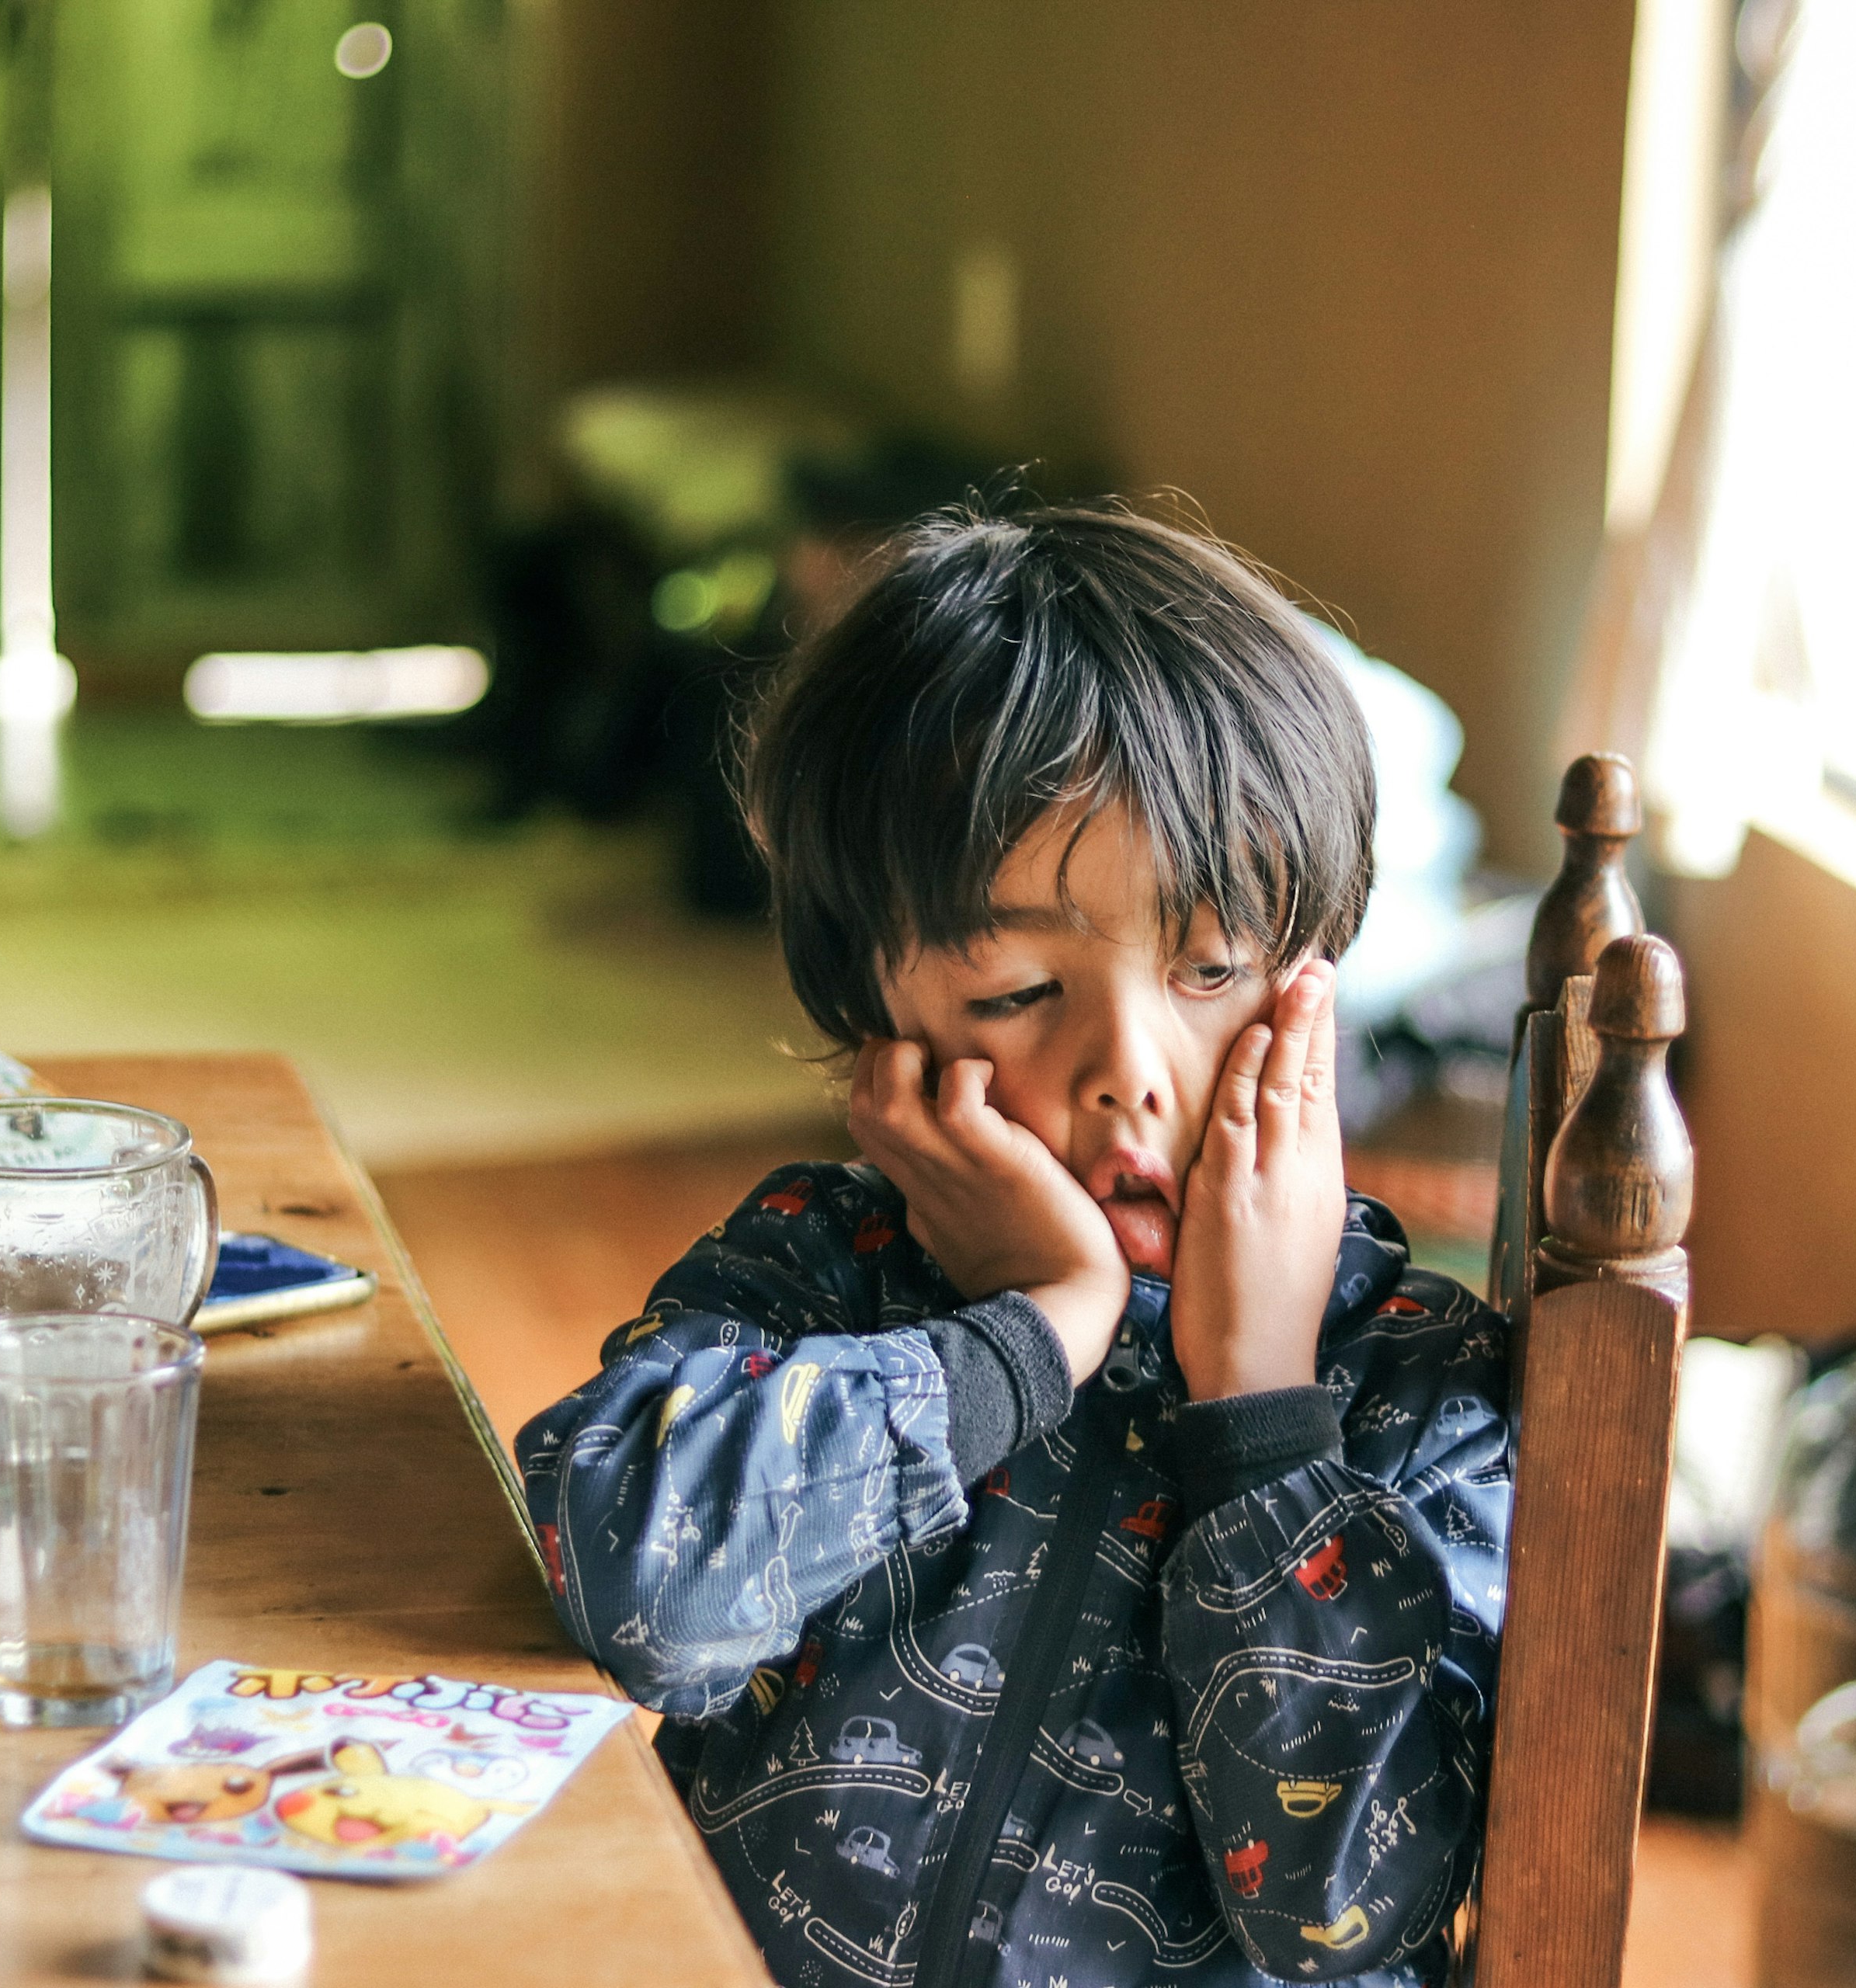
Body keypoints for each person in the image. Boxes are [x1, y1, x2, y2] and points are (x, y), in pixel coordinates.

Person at [517, 506, 1510, 1987]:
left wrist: (1263, 1413)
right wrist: (1028, 1332)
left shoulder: (1414, 1391)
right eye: (1020, 989)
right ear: (876, 1000)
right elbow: (634, 1596)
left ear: (1313, 976)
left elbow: (1347, 1911)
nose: (1134, 1068)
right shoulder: (822, 1269)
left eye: (1212, 967)